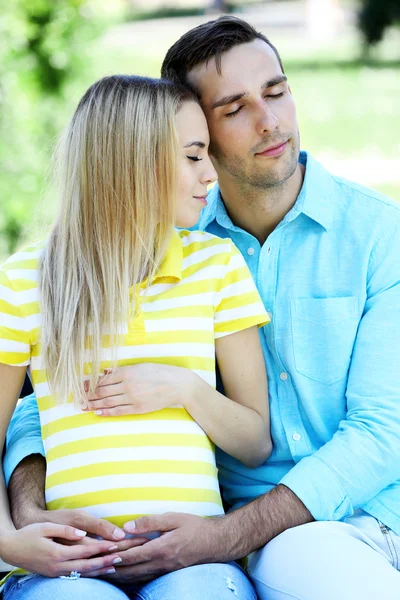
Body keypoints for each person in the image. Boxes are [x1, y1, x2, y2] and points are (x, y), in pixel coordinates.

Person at [5, 15, 400, 600]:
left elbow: (381, 433)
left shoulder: (377, 233)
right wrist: (24, 510)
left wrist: (222, 536)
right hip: (217, 538)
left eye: (277, 91)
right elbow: (51, 397)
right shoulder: (162, 241)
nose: (271, 122)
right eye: (235, 109)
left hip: (362, 515)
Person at [0, 74, 273, 599]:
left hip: (192, 566)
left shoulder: (215, 265)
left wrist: (184, 389)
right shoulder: (24, 280)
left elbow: (255, 442)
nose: (211, 174)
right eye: (193, 156)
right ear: (131, 163)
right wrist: (11, 544)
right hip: (67, 571)